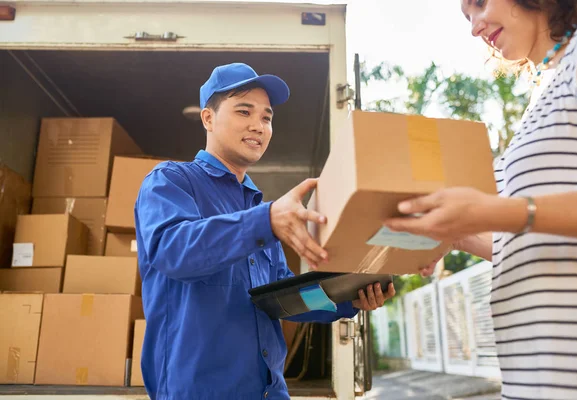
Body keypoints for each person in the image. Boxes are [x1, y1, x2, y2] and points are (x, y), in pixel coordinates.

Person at [133, 62, 395, 400]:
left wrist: (348, 295)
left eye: (267, 117)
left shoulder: (261, 211)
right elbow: (173, 251)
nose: (258, 125)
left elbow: (284, 302)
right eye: (244, 111)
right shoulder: (171, 181)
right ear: (208, 118)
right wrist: (266, 221)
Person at [382, 1, 577, 399]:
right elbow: (534, 242)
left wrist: (499, 211)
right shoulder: (544, 93)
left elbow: (521, 217)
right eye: (466, 17)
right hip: (535, 378)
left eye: (479, 4)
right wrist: (454, 234)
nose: (473, 28)